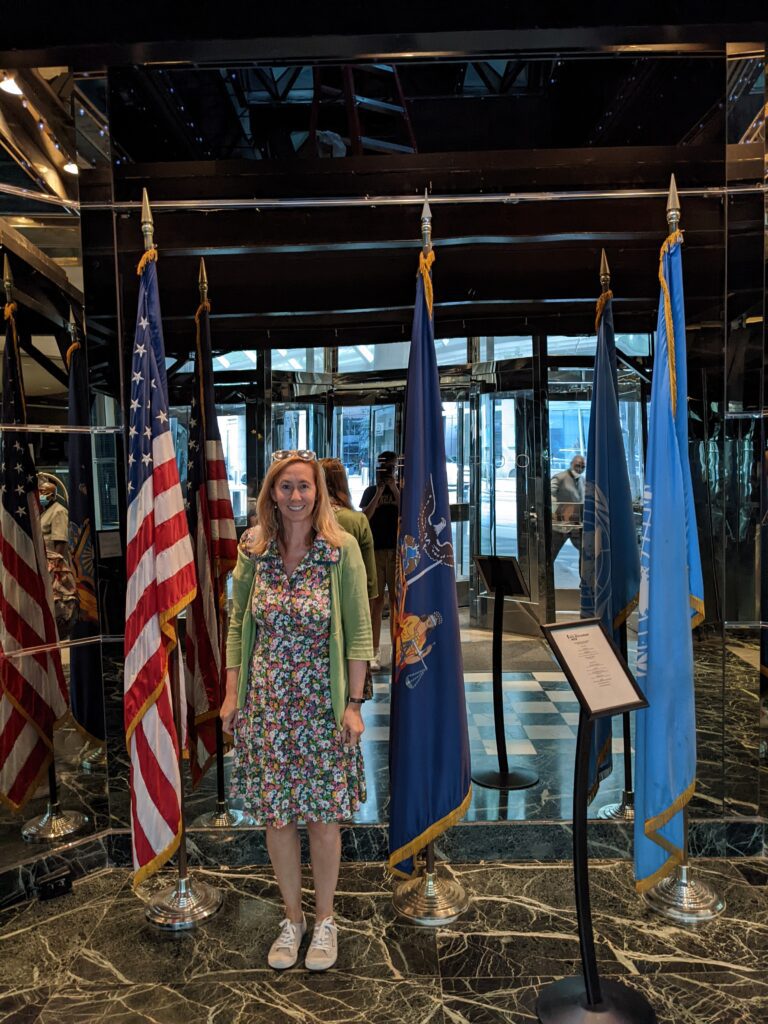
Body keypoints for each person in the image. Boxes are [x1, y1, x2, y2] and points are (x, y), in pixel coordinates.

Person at [221, 449, 373, 972]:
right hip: (265, 705)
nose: (295, 496)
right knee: (277, 820)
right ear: (270, 493)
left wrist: (353, 703)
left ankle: (325, 919)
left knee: (323, 820)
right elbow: (239, 624)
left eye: (304, 487)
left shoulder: (340, 550)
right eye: (285, 487)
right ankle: (293, 919)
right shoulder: (253, 550)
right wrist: (231, 693)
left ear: (319, 492)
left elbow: (358, 630)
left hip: (320, 707)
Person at [359, 451, 399, 670]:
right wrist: (379, 493)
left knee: (396, 603)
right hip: (374, 551)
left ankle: (397, 649)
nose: (386, 473)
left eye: (391, 469)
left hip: (395, 551)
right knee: (375, 603)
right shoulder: (370, 491)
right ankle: (373, 652)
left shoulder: (400, 490)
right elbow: (365, 516)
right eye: (384, 469)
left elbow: (407, 513)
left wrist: (394, 489)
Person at [550, 455, 586, 561]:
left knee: (585, 554)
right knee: (551, 553)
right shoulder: (560, 477)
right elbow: (549, 494)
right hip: (560, 525)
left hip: (577, 525)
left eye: (583, 467)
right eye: (577, 465)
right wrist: (557, 511)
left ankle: (584, 576)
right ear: (571, 464)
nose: (580, 469)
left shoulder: (582, 480)